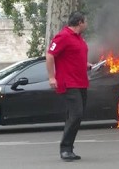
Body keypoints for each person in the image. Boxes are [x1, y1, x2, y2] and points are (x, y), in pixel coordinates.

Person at [46, 11, 92, 161]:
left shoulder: (78, 38)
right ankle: (65, 149)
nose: (87, 24)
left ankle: (69, 148)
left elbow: (73, 57)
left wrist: (86, 65)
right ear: (80, 22)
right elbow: (50, 55)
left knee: (75, 116)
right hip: (69, 83)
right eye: (86, 21)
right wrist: (52, 77)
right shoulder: (63, 36)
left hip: (80, 82)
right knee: (76, 114)